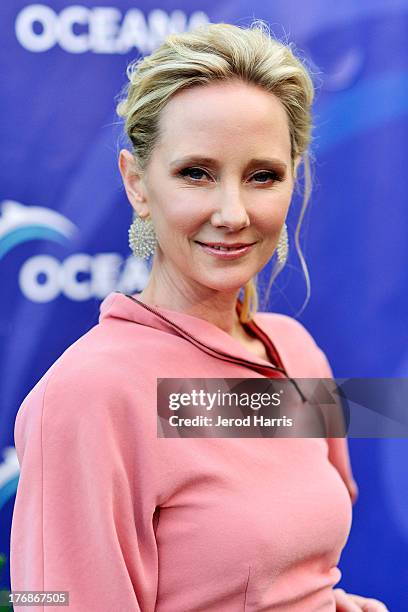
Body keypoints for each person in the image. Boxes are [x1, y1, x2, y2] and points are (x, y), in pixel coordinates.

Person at [10, 21, 389, 612]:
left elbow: (279, 562)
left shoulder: (292, 351)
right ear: (136, 183)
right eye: (196, 173)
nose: (233, 212)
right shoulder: (88, 396)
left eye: (262, 176)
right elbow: (55, 600)